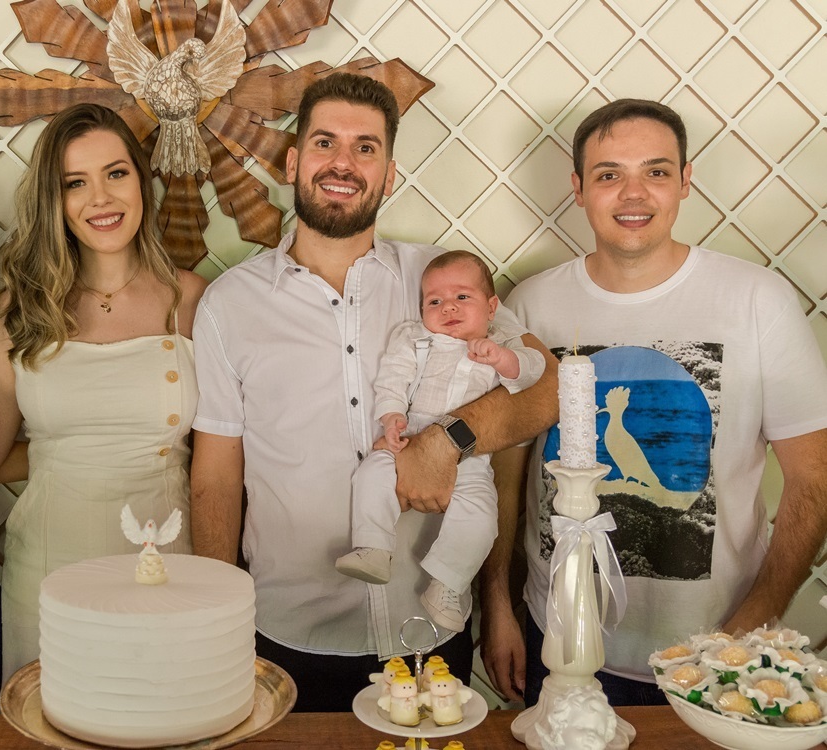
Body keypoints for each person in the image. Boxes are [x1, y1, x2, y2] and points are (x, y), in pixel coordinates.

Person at [190, 72, 559, 711]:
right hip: (287, 633)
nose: (343, 163)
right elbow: (216, 478)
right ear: (292, 162)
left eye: (365, 148)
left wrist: (447, 440)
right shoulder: (229, 304)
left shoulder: (442, 281)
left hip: (430, 630)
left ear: (389, 175)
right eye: (324, 142)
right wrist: (217, 626)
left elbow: (546, 387)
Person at [481, 98, 827, 707]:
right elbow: (505, 481)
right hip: (557, 640)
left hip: (715, 650)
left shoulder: (757, 301)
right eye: (609, 174)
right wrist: (500, 608)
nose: (633, 194)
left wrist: (748, 628)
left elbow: (814, 478)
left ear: (685, 181)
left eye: (657, 171)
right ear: (578, 189)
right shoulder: (530, 306)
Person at [0, 103, 207, 680]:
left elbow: (225, 453)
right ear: (53, 201)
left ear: (142, 181)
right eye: (75, 183)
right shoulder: (16, 311)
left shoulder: (192, 300)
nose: (100, 198)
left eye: (115, 173)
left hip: (166, 565)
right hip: (47, 572)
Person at [335, 250, 544, 633]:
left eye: (462, 297)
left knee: (482, 516)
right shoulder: (416, 338)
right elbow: (392, 377)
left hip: (471, 455)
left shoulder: (501, 344)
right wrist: (391, 416)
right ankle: (373, 547)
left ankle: (446, 585)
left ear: (491, 307)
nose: (448, 307)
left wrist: (501, 359)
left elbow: (533, 372)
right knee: (372, 472)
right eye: (434, 301)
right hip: (409, 435)